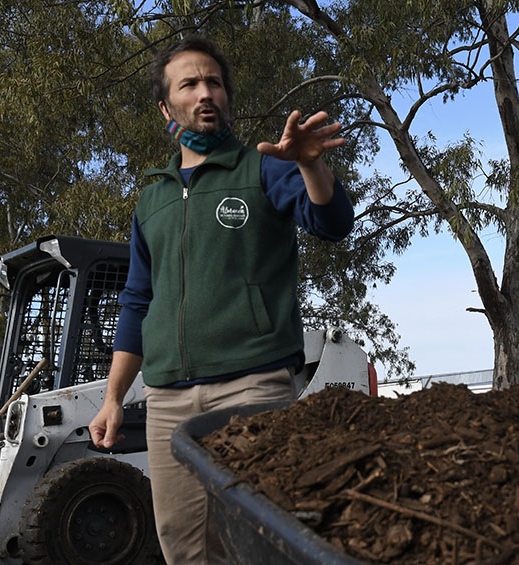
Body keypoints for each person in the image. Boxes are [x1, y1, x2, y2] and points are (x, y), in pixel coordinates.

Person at [87, 35, 354, 564]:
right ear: (167, 106)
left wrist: (310, 165)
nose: (205, 92)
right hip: (166, 401)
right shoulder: (152, 198)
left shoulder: (264, 168)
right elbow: (138, 300)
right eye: (189, 84)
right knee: (185, 548)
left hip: (253, 385)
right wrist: (114, 397)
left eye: (214, 82)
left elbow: (333, 222)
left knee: (263, 544)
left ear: (226, 97)